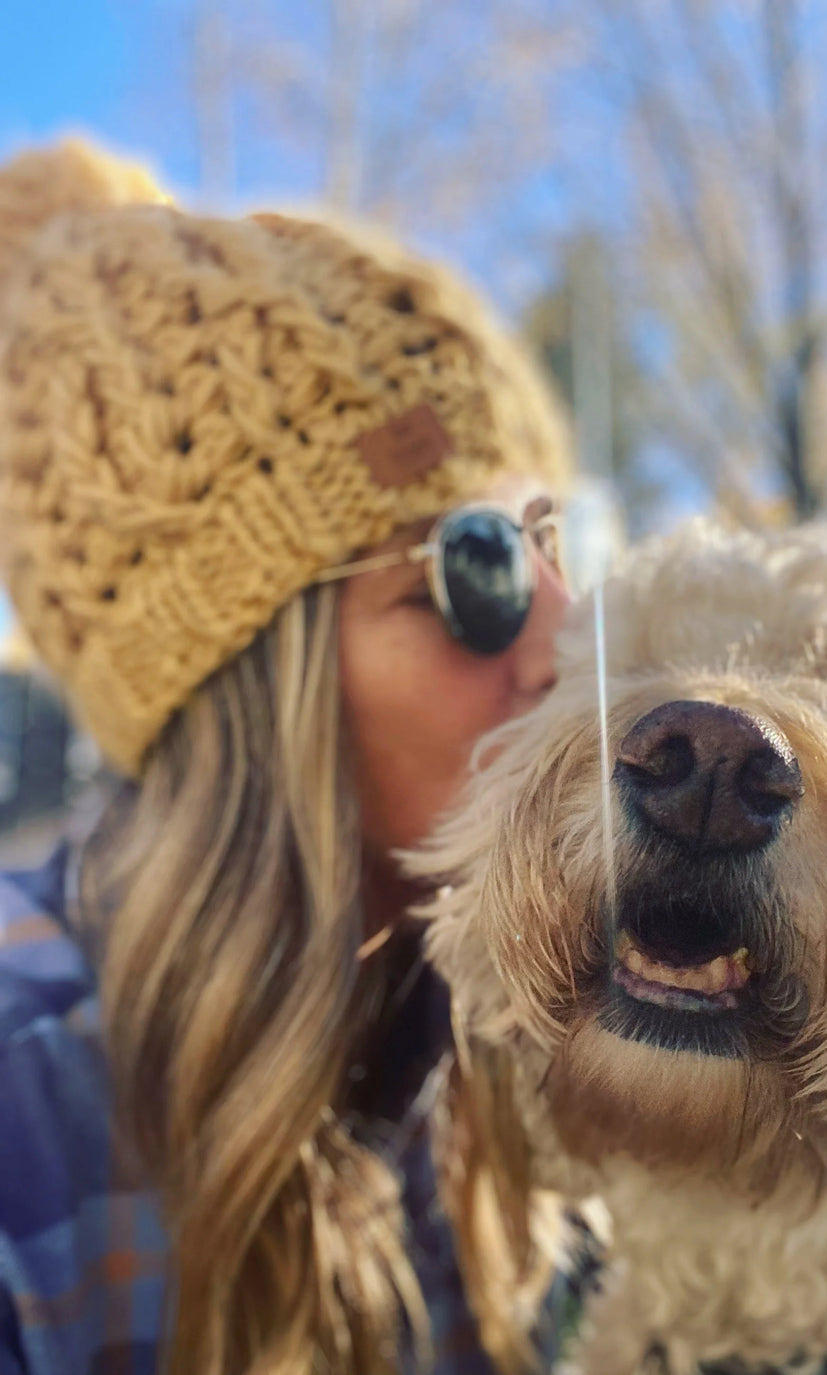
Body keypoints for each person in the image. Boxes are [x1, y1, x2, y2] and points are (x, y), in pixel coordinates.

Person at [0, 140, 573, 1375]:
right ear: (251, 681)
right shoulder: (23, 1128)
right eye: (479, 567)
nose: (566, 641)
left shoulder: (555, 1028)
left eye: (552, 543)